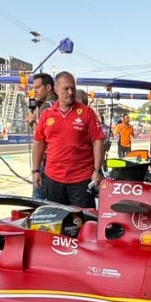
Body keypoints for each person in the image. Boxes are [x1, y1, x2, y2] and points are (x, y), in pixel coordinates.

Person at [32, 71, 105, 207]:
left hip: (81, 181)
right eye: (66, 89)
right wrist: (35, 171)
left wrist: (97, 170)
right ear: (56, 89)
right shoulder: (47, 114)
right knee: (57, 221)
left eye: (73, 88)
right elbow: (38, 143)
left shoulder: (87, 112)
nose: (70, 92)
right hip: (53, 180)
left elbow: (98, 141)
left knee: (84, 222)